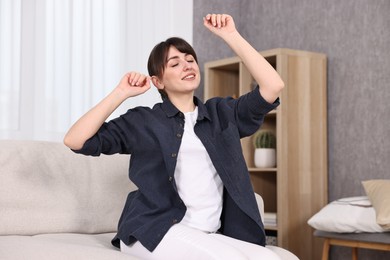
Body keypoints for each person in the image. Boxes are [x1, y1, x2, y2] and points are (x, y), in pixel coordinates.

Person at [64, 14, 294, 260]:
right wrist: (120, 92)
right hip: (154, 231)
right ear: (158, 81)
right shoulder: (143, 121)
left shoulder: (221, 114)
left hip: (207, 234)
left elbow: (272, 86)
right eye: (174, 64)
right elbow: (75, 140)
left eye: (190, 59)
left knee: (272, 258)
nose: (187, 65)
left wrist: (230, 35)